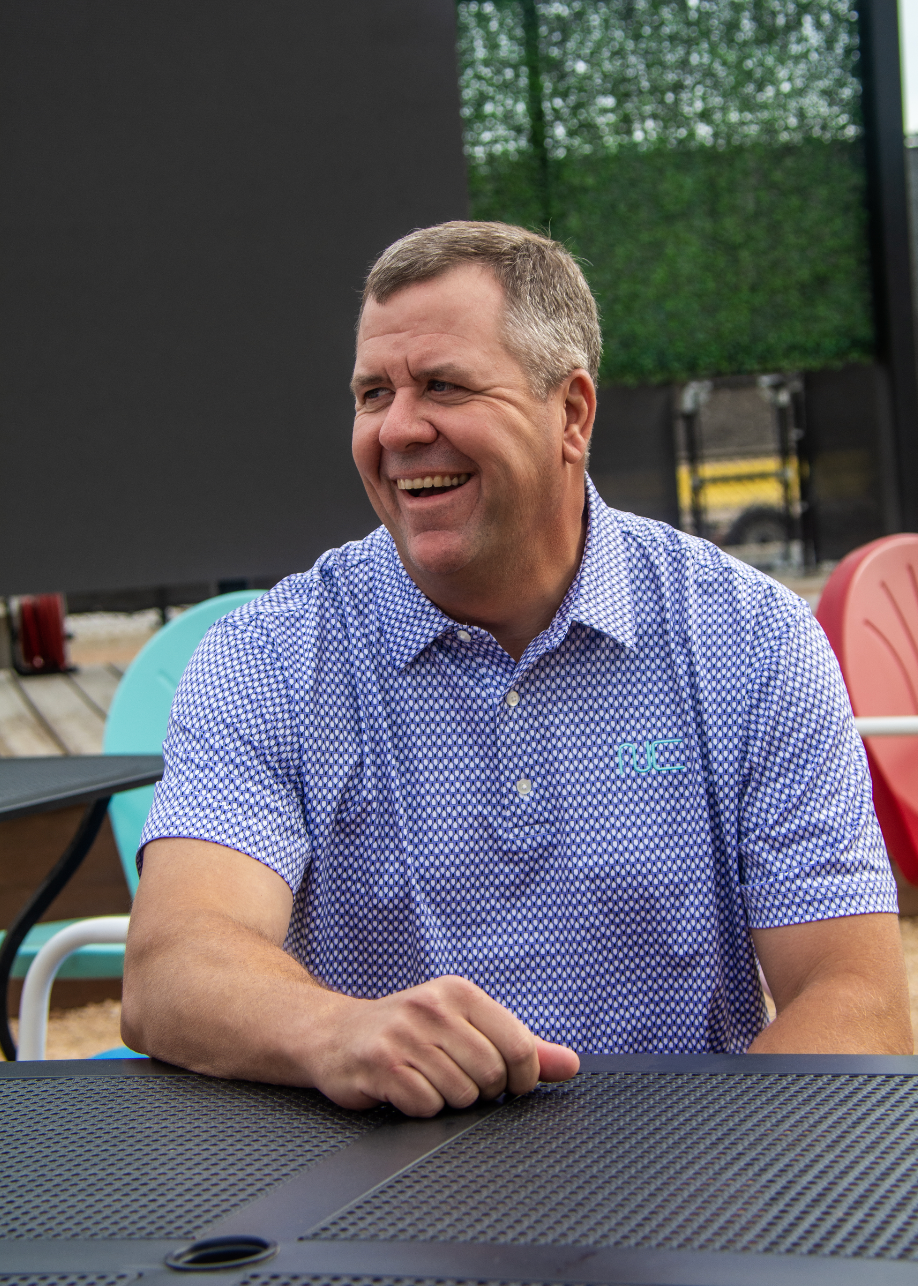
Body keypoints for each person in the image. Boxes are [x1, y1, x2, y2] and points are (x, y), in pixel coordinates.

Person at [123, 221, 911, 1114]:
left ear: (570, 413)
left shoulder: (750, 639)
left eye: (443, 386)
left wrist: (714, 1201)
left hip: (686, 1193)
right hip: (382, 1205)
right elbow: (172, 965)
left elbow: (856, 1001)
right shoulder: (269, 656)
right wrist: (335, 1031)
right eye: (372, 392)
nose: (398, 428)